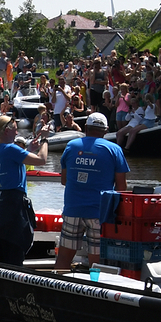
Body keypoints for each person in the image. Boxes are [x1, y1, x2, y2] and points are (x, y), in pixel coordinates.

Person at [54, 113, 128, 271]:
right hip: (100, 213)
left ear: (86, 128)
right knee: (96, 262)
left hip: (73, 210)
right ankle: (94, 284)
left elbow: (64, 180)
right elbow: (121, 187)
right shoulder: (114, 150)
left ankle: (58, 282)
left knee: (64, 258)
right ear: (106, 131)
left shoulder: (71, 146)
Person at [0, 114, 49, 266]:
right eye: (15, 129)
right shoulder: (11, 149)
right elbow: (42, 160)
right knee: (16, 246)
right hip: (14, 204)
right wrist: (45, 139)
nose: (17, 132)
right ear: (7, 130)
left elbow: (11, 164)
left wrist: (29, 150)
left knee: (4, 249)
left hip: (0, 204)